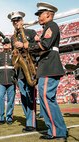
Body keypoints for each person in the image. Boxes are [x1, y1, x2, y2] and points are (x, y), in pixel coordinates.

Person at [31, 2, 68, 140]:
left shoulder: (51, 25)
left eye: (40, 14)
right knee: (47, 99)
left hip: (49, 67)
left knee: (47, 99)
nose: (39, 17)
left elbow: (45, 45)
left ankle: (57, 131)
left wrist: (27, 45)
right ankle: (55, 130)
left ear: (48, 14)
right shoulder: (47, 27)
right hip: (47, 67)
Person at [8, 11, 37, 132]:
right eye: (14, 21)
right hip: (20, 69)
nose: (16, 22)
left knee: (31, 96)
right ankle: (29, 120)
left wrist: (25, 44)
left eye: (18, 20)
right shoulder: (12, 37)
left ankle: (32, 123)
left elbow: (37, 47)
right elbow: (13, 54)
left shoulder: (31, 32)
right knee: (24, 96)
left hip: (30, 67)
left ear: (22, 21)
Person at [0, 38, 16, 125]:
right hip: (0, 80)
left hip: (11, 79)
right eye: (4, 43)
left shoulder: (14, 54)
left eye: (7, 43)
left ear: (10, 44)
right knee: (0, 98)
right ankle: (0, 118)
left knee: (11, 100)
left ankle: (9, 118)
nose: (5, 44)